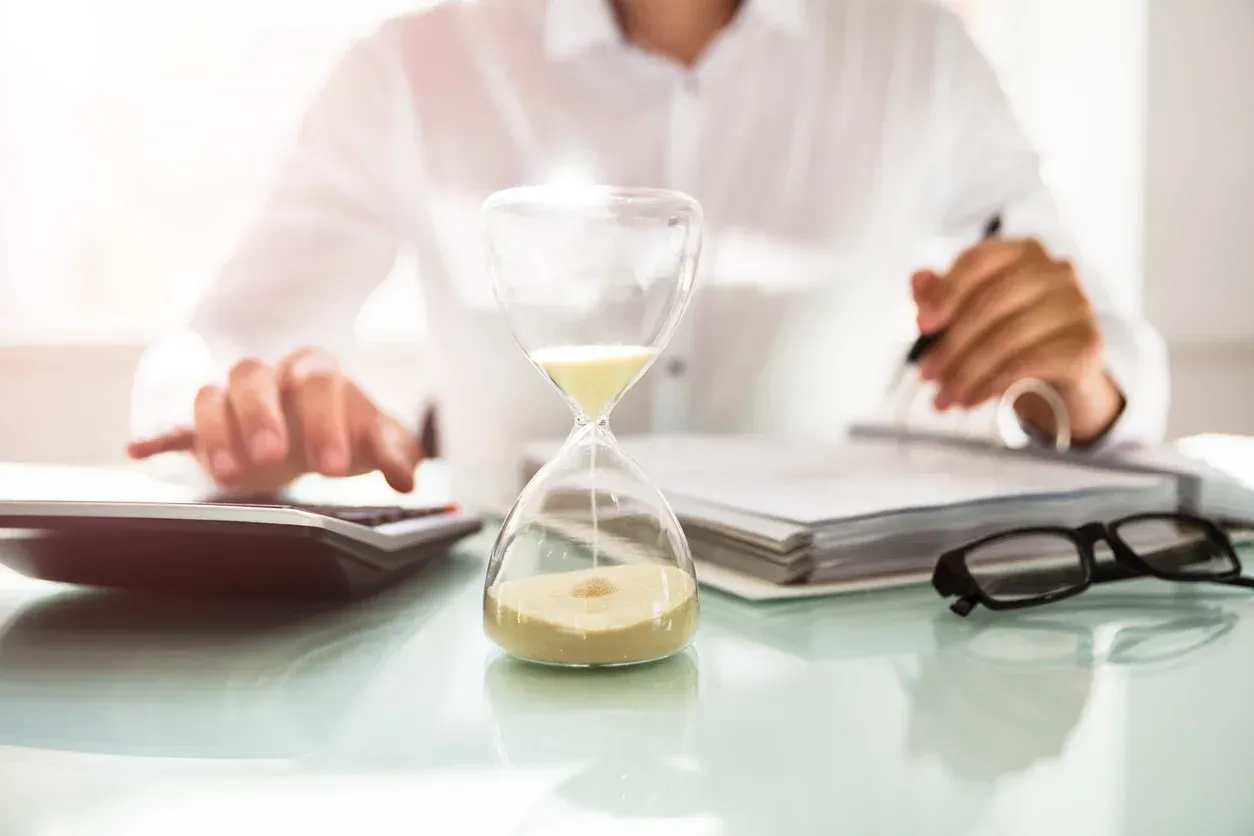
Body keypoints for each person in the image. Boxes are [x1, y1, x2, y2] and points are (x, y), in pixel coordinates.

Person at [126, 0, 1169, 511]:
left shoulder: (918, 55)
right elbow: (206, 352)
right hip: (501, 625)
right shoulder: (413, 65)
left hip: (832, 662)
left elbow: (1119, 374)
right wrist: (244, 408)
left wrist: (1077, 381)